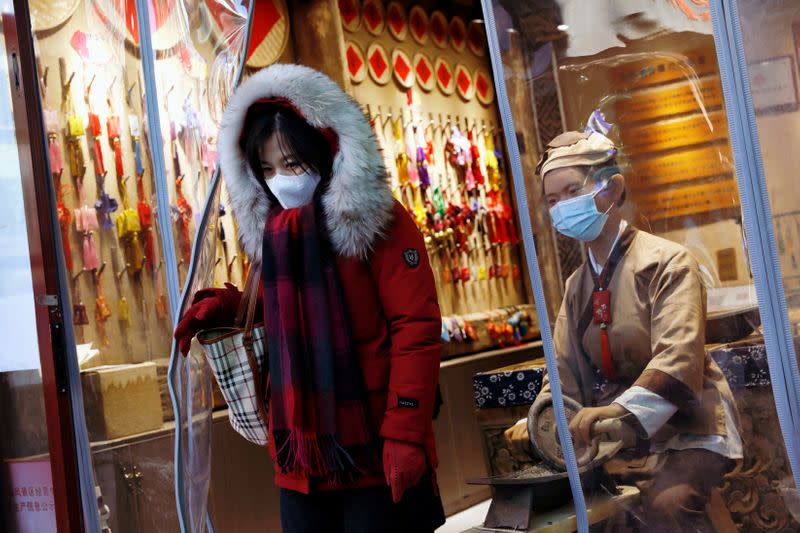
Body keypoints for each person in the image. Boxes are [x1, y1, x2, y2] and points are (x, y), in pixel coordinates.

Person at [174, 64, 445, 533]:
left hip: (372, 442)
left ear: (324, 149)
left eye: (293, 163)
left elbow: (415, 326)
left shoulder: (376, 219)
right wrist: (231, 307)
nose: (281, 179)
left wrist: (405, 431)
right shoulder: (274, 233)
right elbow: (287, 316)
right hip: (300, 456)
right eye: (267, 168)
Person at [504, 130, 742, 531]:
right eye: (552, 200)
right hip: (621, 437)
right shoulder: (577, 286)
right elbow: (564, 372)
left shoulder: (669, 263)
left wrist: (616, 410)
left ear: (612, 188)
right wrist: (542, 418)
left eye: (572, 191)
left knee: (666, 508)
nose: (563, 206)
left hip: (690, 427)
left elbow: (678, 358)